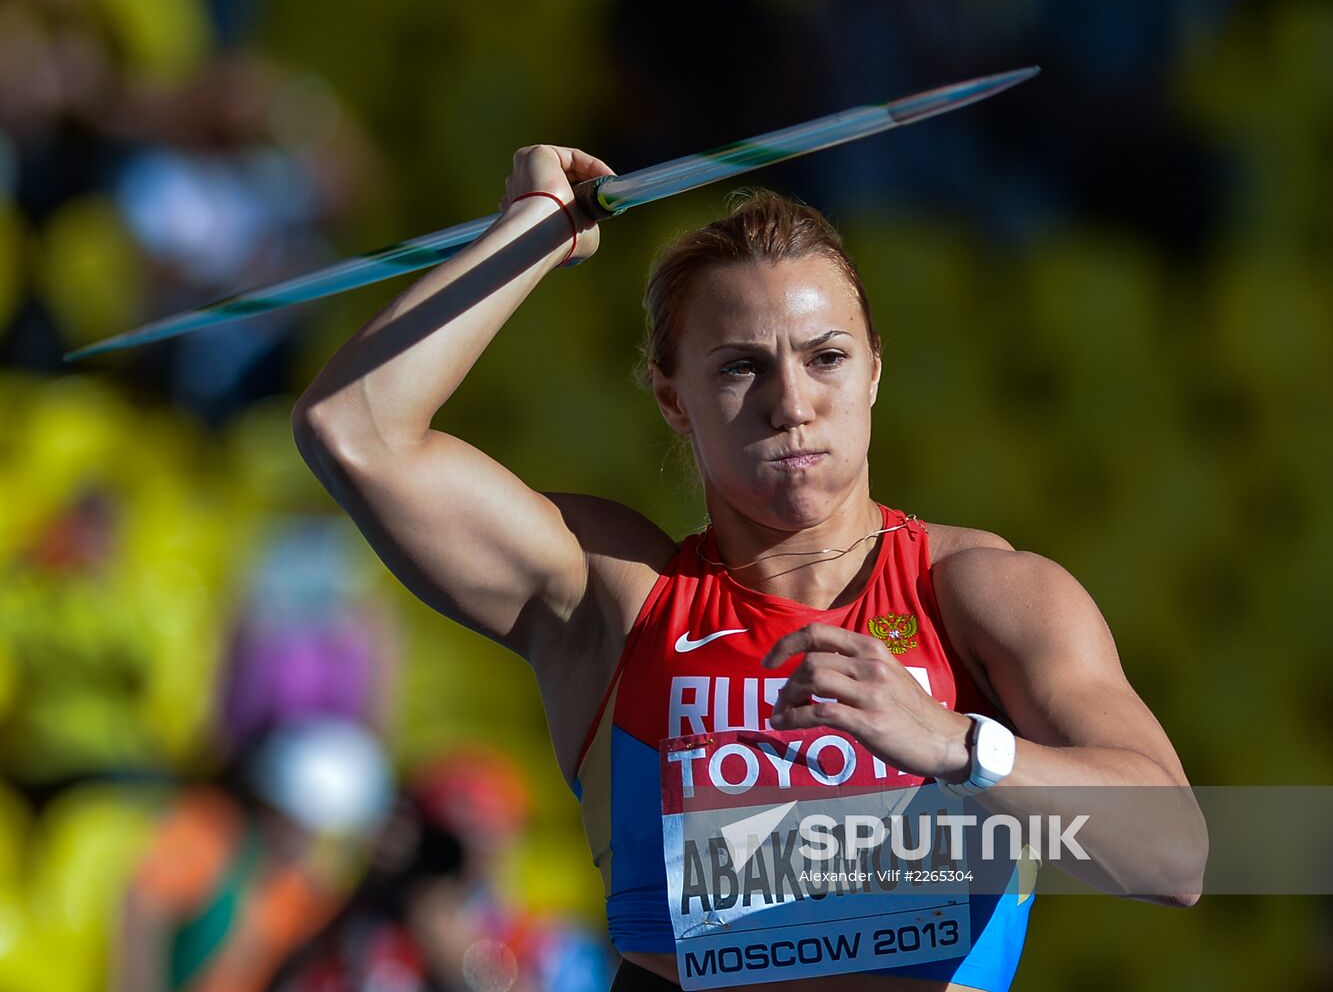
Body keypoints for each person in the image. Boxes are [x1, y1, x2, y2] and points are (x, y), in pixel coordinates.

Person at [292, 145, 1206, 991]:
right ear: (672, 399)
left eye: (827, 358)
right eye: (739, 367)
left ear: (875, 373)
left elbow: (1174, 857)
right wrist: (532, 234)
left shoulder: (979, 592)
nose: (792, 404)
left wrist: (958, 746)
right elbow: (354, 430)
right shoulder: (615, 598)